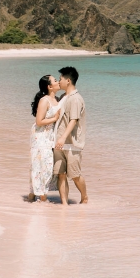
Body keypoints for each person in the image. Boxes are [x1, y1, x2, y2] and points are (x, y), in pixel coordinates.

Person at [53, 66, 88, 205]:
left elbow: (74, 120)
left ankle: (84, 197)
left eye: (60, 79)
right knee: (61, 174)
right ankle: (64, 204)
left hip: (72, 143)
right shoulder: (64, 97)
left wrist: (62, 138)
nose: (59, 81)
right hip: (59, 142)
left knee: (74, 175)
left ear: (68, 81)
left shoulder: (76, 99)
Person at [28, 75, 62, 202]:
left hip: (50, 136)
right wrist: (54, 119)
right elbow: (39, 121)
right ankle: (42, 197)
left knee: (45, 164)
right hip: (40, 135)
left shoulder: (57, 99)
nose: (58, 82)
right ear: (49, 86)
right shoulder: (44, 100)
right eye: (55, 81)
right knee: (43, 165)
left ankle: (33, 194)